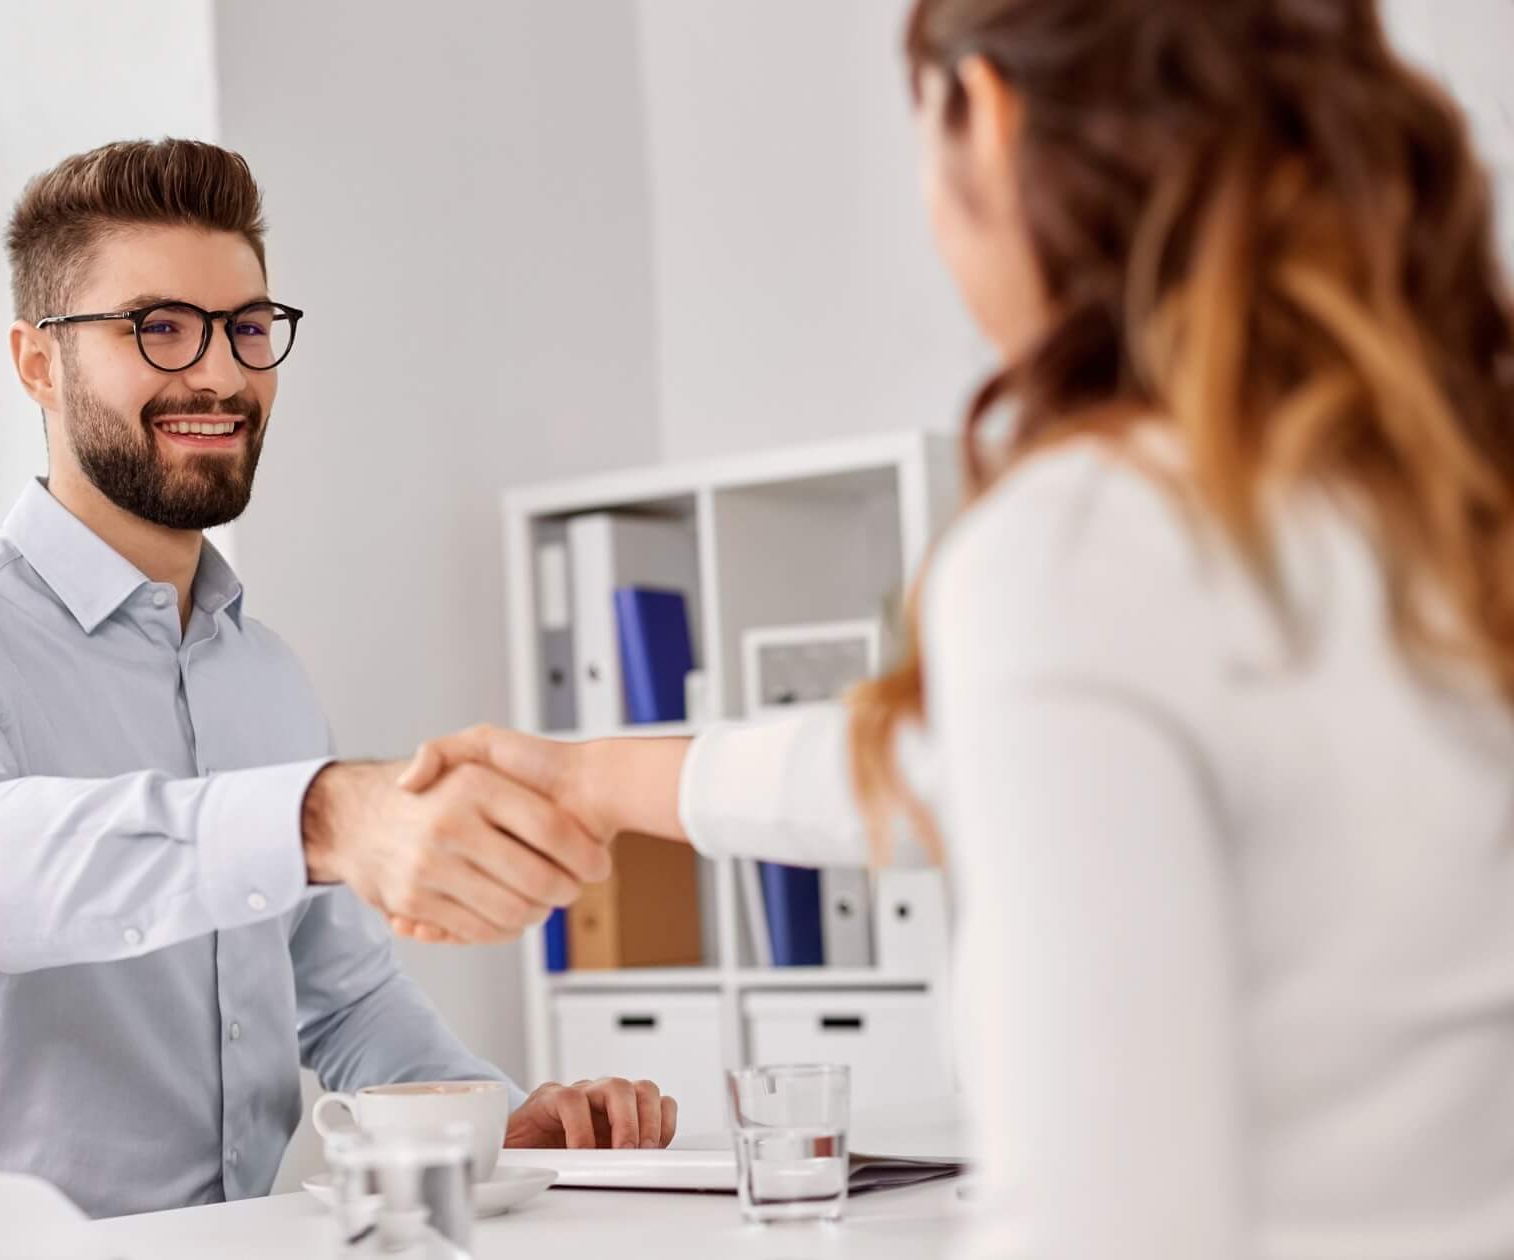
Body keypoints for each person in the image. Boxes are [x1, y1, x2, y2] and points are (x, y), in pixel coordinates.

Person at [401, 2, 1514, 1256]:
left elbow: (1097, 1227)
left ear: (982, 114)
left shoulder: (1087, 547)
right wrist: (590, 778)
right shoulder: (1431, 504)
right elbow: (939, 765)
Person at [0, 139, 676, 1220]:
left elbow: (343, 995)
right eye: (157, 328)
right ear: (36, 363)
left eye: (245, 329)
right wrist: (311, 818)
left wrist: (496, 1125)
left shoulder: (260, 672)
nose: (216, 373)